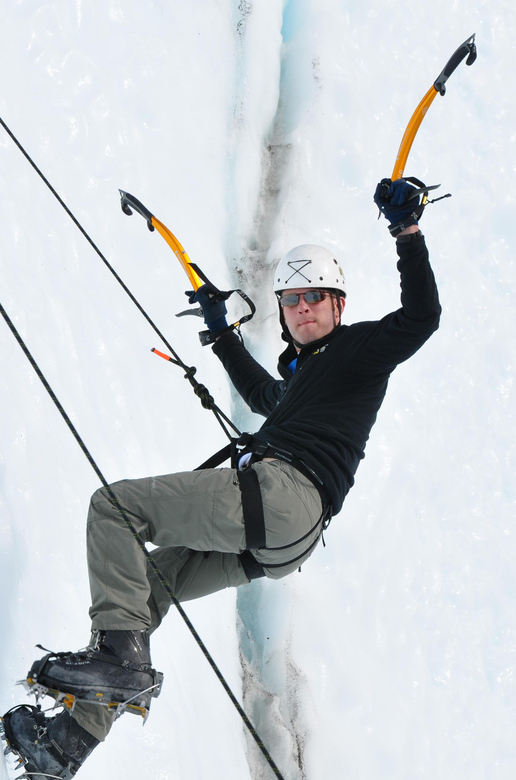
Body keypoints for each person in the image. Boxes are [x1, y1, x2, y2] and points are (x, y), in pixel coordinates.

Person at [1, 178, 441, 778]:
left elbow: (421, 317)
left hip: (284, 494)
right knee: (145, 593)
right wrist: (219, 331)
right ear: (284, 315)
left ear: (340, 304)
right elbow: (264, 394)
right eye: (291, 299)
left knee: (115, 509)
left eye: (316, 295)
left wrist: (407, 232)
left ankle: (118, 667)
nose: (303, 306)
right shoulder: (307, 381)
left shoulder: (360, 351)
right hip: (287, 542)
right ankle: (66, 746)